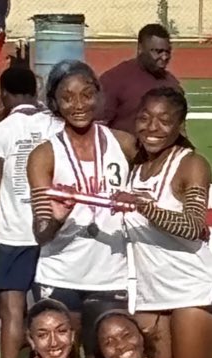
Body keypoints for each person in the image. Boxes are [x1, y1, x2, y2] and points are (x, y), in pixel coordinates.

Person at [113, 87, 212, 358]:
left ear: (180, 126)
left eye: (164, 120)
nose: (152, 127)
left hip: (195, 290)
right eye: (144, 118)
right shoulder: (135, 168)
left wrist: (144, 206)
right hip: (151, 296)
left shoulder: (190, 164)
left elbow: (194, 225)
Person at [27, 62, 134, 339]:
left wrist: (140, 200)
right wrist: (56, 219)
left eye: (87, 95)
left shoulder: (124, 144)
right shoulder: (44, 155)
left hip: (111, 275)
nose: (78, 105)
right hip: (59, 275)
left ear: (99, 97)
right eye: (67, 97)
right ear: (54, 102)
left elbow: (156, 185)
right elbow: (41, 234)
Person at [0, 65, 61, 358]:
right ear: (34, 92)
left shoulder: (3, 128)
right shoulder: (55, 124)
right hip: (51, 226)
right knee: (53, 305)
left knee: (12, 309)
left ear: (6, 95)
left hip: (13, 231)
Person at [99, 25, 181, 134]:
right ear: (140, 49)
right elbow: (98, 128)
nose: (164, 57)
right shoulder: (115, 79)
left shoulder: (172, 85)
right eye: (158, 51)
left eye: (167, 52)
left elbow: (180, 130)